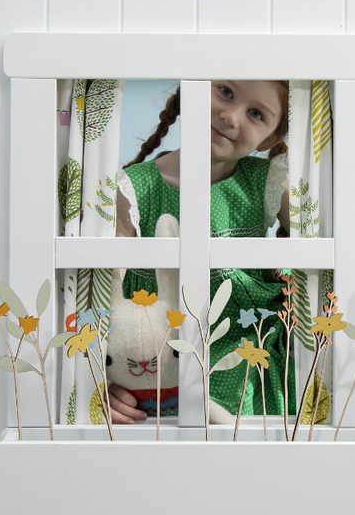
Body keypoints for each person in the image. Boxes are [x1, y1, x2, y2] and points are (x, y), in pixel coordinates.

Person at [109, 80, 295, 425]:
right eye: (225, 91)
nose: (231, 116)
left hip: (245, 358)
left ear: (269, 139)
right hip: (156, 367)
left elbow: (322, 233)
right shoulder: (132, 188)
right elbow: (102, 296)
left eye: (256, 113)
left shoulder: (269, 181)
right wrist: (97, 379)